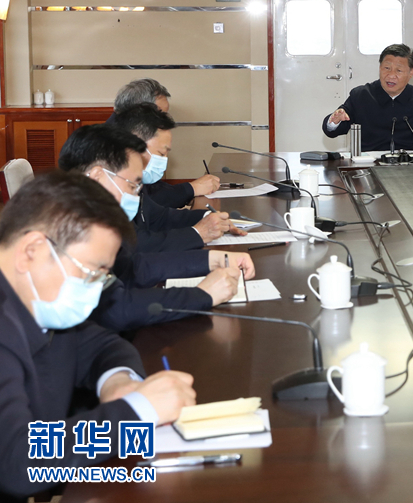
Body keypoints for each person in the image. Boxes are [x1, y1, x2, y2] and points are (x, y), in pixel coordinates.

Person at [0, 171, 196, 501]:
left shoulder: (39, 304)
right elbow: (17, 461)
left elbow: (100, 345)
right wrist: (138, 412)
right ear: (31, 250)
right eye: (92, 273)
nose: (93, 290)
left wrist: (117, 381)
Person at [58, 125, 253, 331]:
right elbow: (116, 308)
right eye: (132, 185)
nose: (136, 194)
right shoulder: (66, 227)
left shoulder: (93, 216)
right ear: (98, 176)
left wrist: (211, 260)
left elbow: (133, 268)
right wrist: (203, 294)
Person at [322, 44, 413, 153]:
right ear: (380, 68)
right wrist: (334, 121)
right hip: (370, 165)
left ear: (411, 72)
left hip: (411, 166)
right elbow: (333, 131)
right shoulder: (361, 95)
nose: (391, 75)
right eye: (387, 68)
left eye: (398, 70)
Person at [111, 79, 220, 208]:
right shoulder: (108, 148)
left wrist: (187, 194)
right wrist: (191, 189)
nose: (163, 120)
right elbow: (144, 202)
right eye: (159, 114)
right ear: (136, 113)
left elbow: (152, 188)